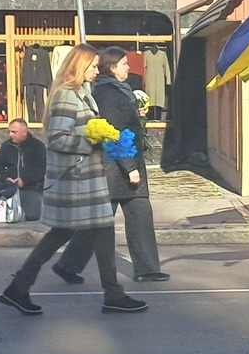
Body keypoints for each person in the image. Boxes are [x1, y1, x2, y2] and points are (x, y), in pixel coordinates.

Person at [0, 45, 147, 315]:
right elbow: (57, 139)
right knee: (66, 233)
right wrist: (94, 140)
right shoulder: (67, 95)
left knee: (97, 229)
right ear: (79, 66)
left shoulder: (81, 93)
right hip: (75, 179)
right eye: (91, 66)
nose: (95, 70)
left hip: (86, 179)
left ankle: (110, 292)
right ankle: (20, 287)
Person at [56, 46, 168, 283]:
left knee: (137, 214)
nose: (128, 68)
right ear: (113, 66)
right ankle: (69, 264)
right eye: (124, 64)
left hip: (124, 162)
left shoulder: (119, 90)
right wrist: (130, 168)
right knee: (101, 220)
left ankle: (147, 269)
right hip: (116, 166)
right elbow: (113, 132)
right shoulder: (107, 93)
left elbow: (125, 122)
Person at [0, 118, 47, 222]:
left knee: (32, 215)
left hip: (31, 186)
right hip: (10, 183)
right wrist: (6, 178)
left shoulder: (37, 146)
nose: (10, 135)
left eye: (14, 132)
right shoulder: (6, 146)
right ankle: (7, 205)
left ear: (24, 133)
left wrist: (24, 180)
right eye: (9, 131)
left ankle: (20, 204)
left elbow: (42, 168)